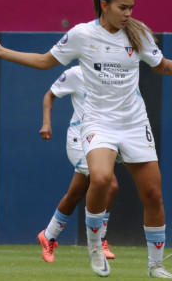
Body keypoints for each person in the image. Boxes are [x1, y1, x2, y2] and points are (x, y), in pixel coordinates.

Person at [0, 0, 172, 279]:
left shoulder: (138, 34)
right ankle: (96, 248)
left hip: (134, 122)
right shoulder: (82, 34)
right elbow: (45, 61)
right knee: (100, 179)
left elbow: (161, 65)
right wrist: (3, 52)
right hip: (98, 121)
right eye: (123, 7)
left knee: (153, 194)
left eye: (132, 7)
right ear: (104, 5)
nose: (128, 13)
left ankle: (156, 266)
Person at [37, 66, 120, 263]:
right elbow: (50, 95)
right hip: (79, 140)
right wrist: (46, 123)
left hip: (100, 141)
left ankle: (48, 236)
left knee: (75, 194)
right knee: (111, 185)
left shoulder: (112, 73)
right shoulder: (76, 73)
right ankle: (100, 238)